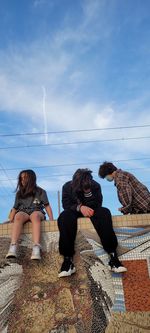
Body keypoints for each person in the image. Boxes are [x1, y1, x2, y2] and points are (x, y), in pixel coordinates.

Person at [57, 168, 127, 277]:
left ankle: (113, 257)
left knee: (104, 212)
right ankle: (67, 261)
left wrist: (88, 193)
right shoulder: (67, 186)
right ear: (75, 182)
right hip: (74, 210)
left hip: (91, 209)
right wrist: (80, 208)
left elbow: (98, 203)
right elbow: (66, 205)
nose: (84, 186)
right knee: (64, 216)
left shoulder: (95, 186)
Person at [6, 169, 53, 260]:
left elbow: (47, 206)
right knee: (18, 216)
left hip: (37, 211)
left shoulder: (41, 191)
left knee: (34, 216)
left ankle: (36, 247)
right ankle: (13, 246)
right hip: (24, 212)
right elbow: (15, 208)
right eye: (21, 178)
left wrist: (51, 220)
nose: (22, 180)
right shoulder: (19, 194)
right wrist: (11, 220)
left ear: (32, 179)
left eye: (25, 178)